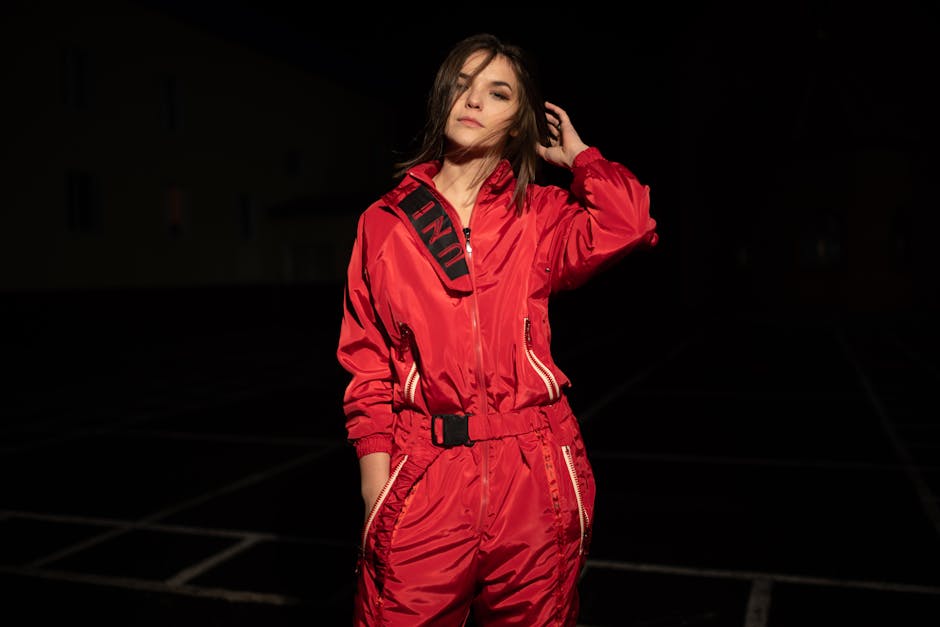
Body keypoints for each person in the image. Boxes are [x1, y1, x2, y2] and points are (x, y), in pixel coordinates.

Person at [336, 32, 658, 626]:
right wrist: (374, 487)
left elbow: (630, 222)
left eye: (497, 91)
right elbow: (365, 363)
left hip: (533, 472)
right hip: (425, 474)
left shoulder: (538, 214)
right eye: (462, 85)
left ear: (520, 121)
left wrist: (581, 161)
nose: (473, 100)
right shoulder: (383, 224)